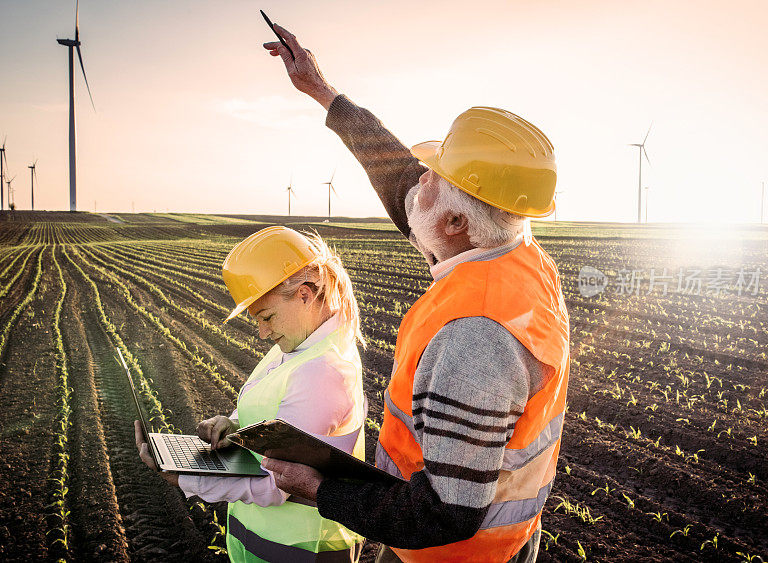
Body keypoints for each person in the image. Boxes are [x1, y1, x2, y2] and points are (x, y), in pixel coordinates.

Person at [258, 26, 570, 563]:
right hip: (505, 538)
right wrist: (324, 93)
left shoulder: (475, 341)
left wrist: (320, 491)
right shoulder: (516, 256)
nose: (415, 180)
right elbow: (395, 173)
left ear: (452, 221)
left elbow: (443, 513)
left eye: (431, 177)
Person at [134, 225, 367, 562]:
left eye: (266, 316)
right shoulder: (298, 341)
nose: (261, 332)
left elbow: (280, 484)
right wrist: (234, 426)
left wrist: (185, 478)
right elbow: (276, 413)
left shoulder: (324, 370)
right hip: (262, 540)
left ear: (304, 294)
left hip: (302, 550)